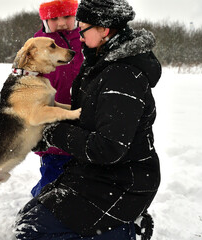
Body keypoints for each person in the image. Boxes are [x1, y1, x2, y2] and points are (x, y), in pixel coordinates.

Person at [15, 0, 162, 239]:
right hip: (98, 170)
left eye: (82, 30)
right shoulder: (100, 62)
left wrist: (52, 132)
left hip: (123, 180)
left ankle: (122, 228)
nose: (79, 38)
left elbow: (108, 147)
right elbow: (86, 116)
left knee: (32, 232)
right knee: (29, 218)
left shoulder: (123, 76)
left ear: (103, 30)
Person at [31, 0, 84, 197]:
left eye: (67, 16)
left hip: (81, 116)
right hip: (51, 118)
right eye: (54, 18)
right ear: (45, 19)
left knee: (81, 172)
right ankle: (42, 198)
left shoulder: (86, 40)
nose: (61, 23)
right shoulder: (38, 44)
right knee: (52, 177)